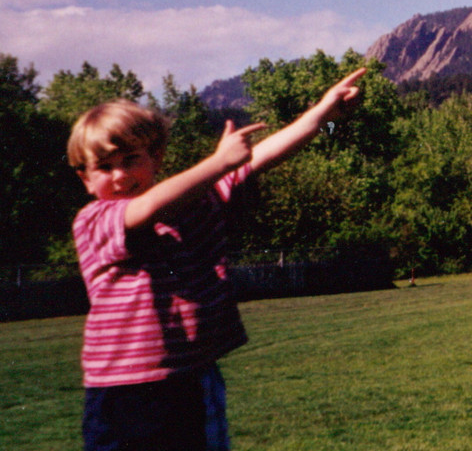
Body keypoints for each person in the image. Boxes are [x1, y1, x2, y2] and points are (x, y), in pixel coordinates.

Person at [67, 67, 366, 451]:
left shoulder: (195, 202)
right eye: (105, 167)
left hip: (191, 380)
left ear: (156, 157)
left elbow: (260, 157)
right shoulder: (93, 220)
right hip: (120, 394)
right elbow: (145, 210)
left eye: (131, 159)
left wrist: (322, 114)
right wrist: (218, 162)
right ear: (85, 179)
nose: (120, 175)